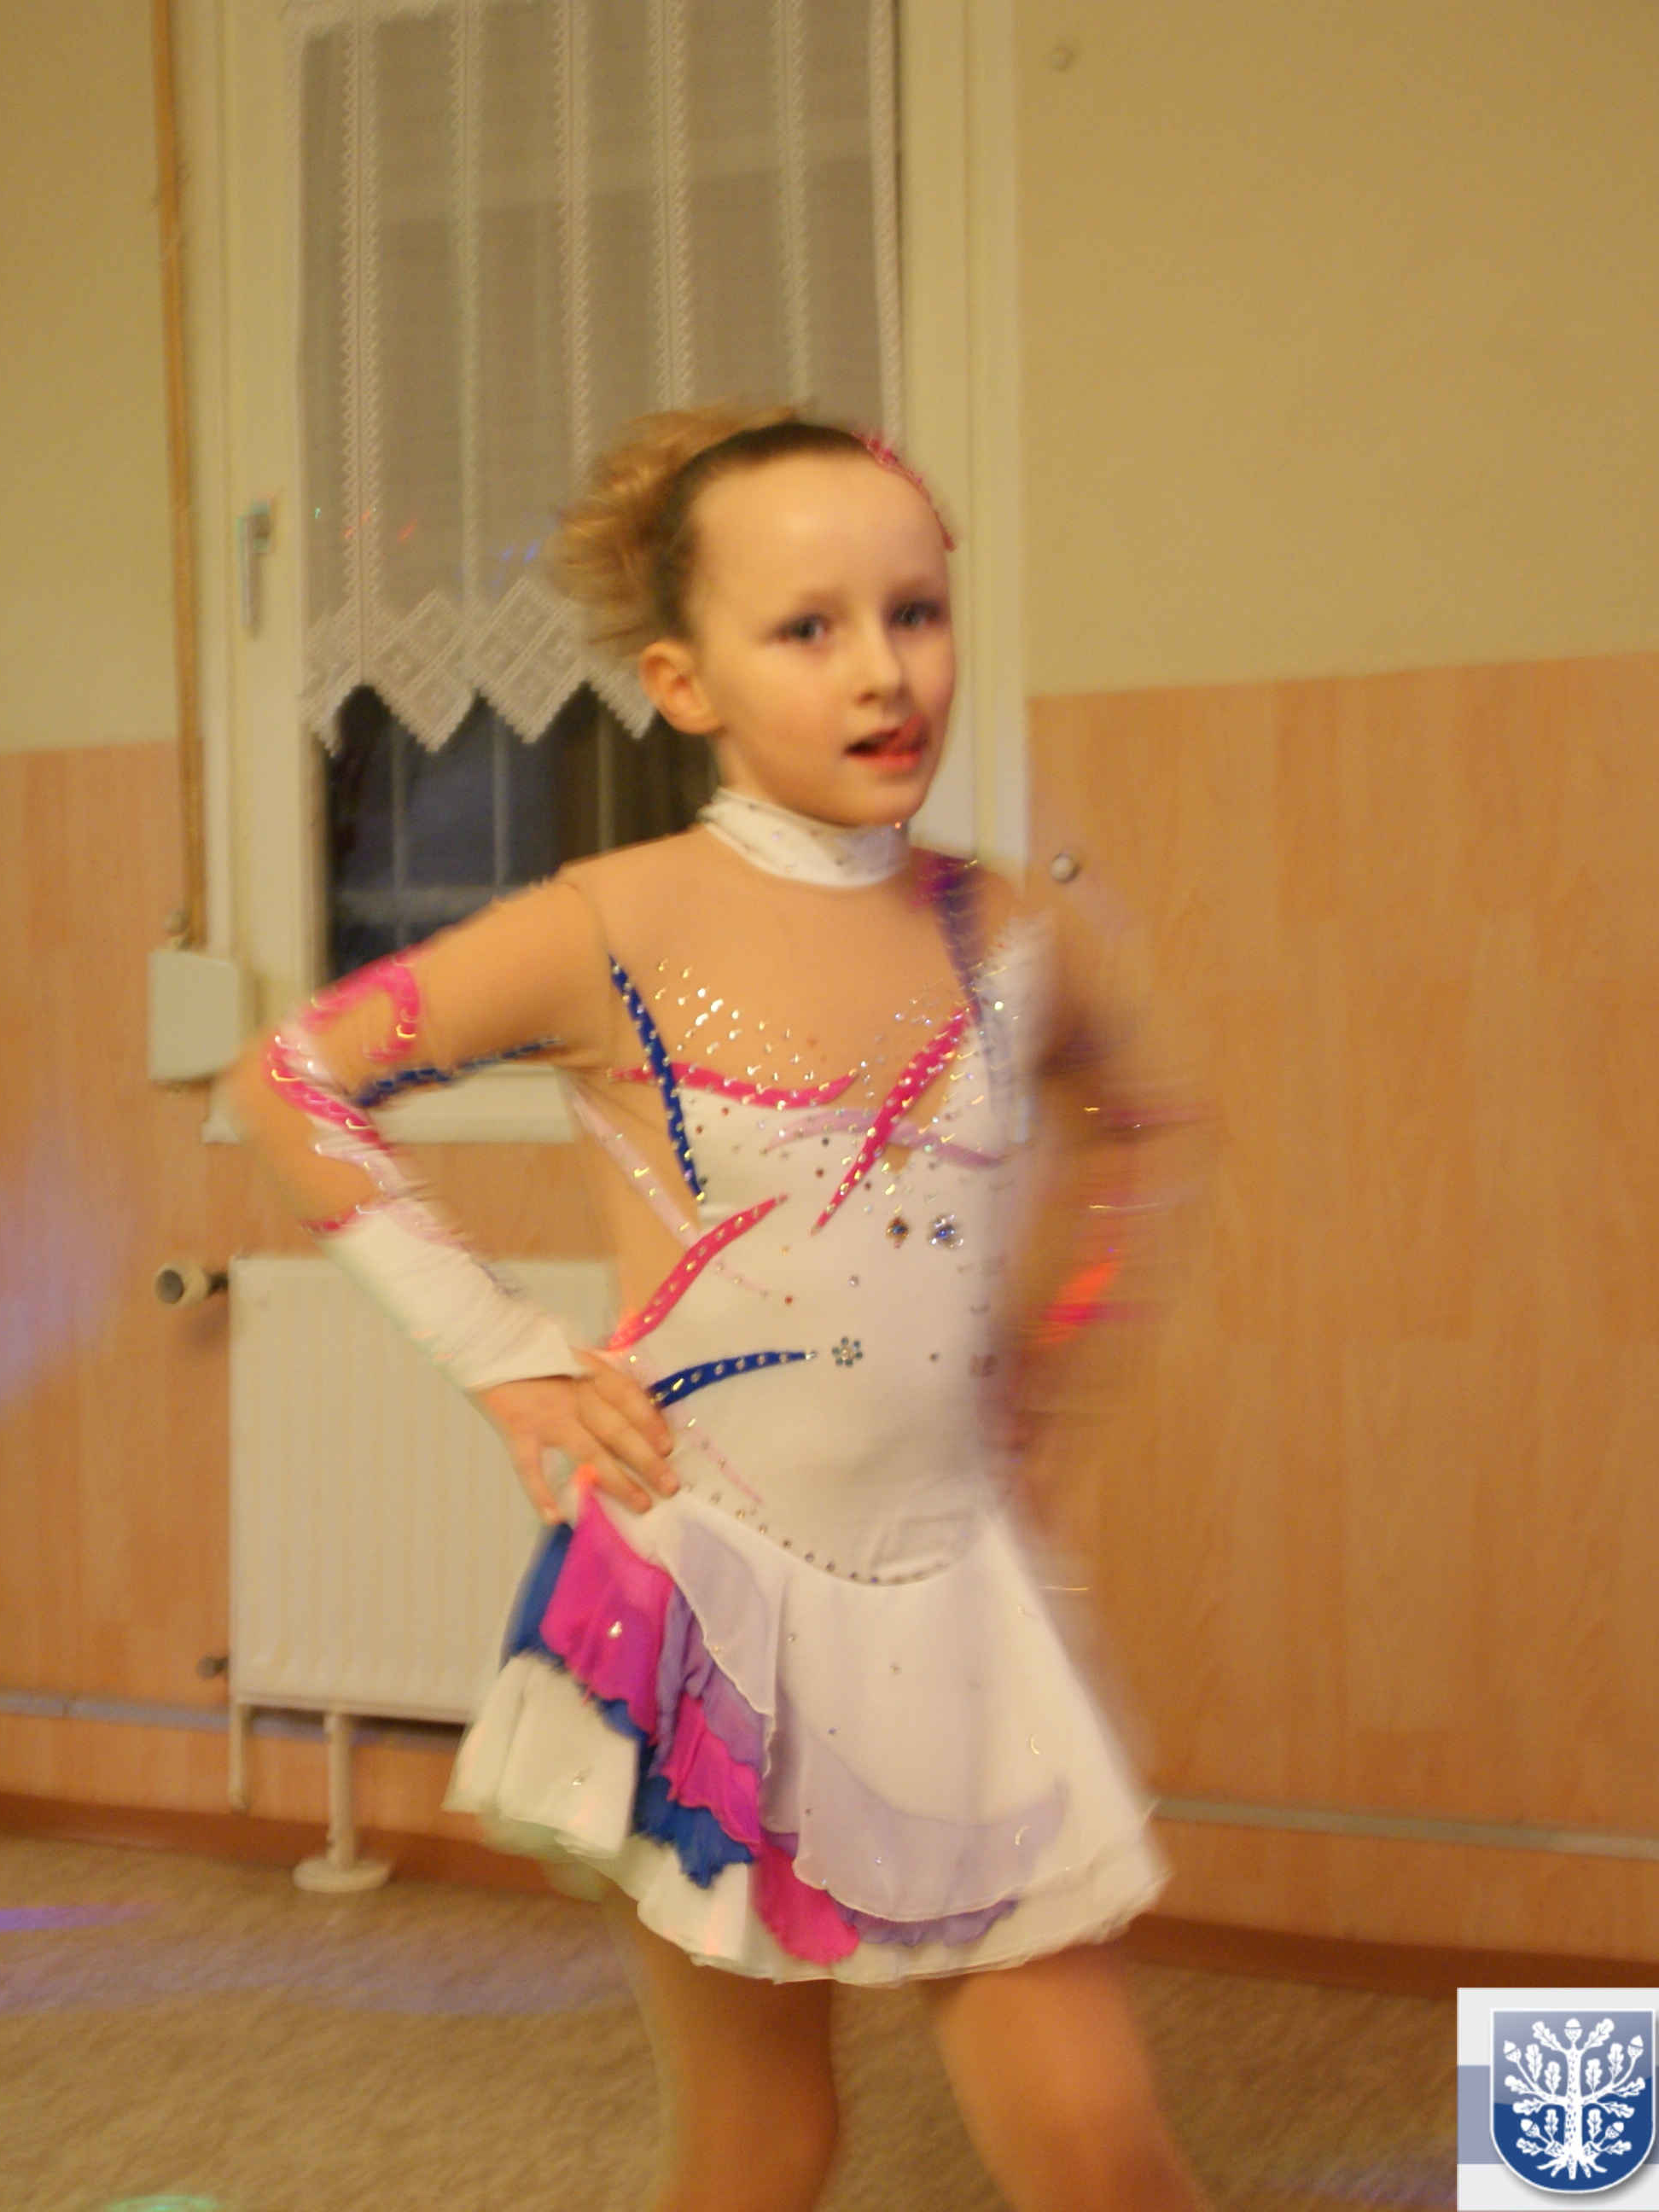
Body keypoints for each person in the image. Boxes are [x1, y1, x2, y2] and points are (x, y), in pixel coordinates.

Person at [234, 402, 1208, 2212]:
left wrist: (1042, 1378)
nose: (881, 671)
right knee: (765, 2144)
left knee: (1100, 2151)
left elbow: (1141, 1131)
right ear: (685, 684)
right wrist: (503, 1356)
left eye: (914, 612)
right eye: (808, 628)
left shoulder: (1005, 928)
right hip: (707, 1612)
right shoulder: (616, 921)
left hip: (955, 1604)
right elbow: (291, 1081)